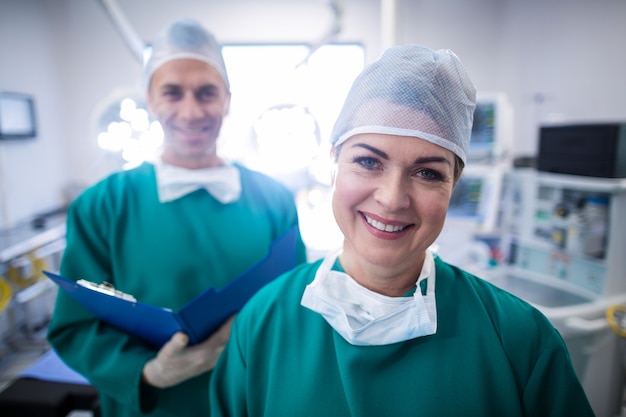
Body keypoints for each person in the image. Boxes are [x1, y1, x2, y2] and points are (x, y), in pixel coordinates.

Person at [208, 45, 595, 416]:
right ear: (334, 163)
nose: (392, 199)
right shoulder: (263, 322)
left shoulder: (520, 340)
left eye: (428, 173)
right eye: (368, 162)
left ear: (454, 186)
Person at [47, 17, 306, 417]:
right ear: (150, 99)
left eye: (206, 93)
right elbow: (76, 326)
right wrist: (146, 371)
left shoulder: (273, 200)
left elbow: (297, 305)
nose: (190, 111)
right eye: (173, 93)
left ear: (227, 99)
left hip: (253, 400)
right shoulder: (103, 205)